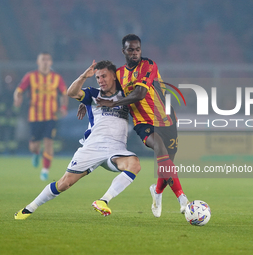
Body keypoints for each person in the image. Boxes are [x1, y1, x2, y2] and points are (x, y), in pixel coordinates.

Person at [14, 60, 141, 219]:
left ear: (114, 77)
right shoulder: (93, 94)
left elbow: (142, 95)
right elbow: (72, 93)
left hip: (116, 150)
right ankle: (29, 208)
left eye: (104, 76)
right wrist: (83, 76)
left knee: (134, 164)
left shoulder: (126, 95)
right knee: (64, 183)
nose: (100, 80)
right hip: (92, 148)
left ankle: (103, 201)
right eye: (97, 77)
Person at [96, 34, 189, 217]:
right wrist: (85, 101)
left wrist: (114, 104)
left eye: (138, 49)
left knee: (167, 165)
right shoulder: (119, 74)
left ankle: (157, 191)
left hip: (167, 119)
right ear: (124, 51)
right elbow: (105, 90)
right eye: (131, 49)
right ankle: (182, 198)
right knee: (160, 149)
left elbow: (139, 94)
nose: (135, 53)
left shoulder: (149, 65)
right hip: (142, 122)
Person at [13, 52, 68, 181]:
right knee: (34, 146)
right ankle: (36, 153)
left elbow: (64, 94)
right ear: (38, 62)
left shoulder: (57, 78)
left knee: (49, 142)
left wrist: (63, 107)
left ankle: (45, 171)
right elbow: (19, 90)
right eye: (43, 59)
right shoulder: (30, 76)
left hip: (51, 116)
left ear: (51, 62)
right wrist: (17, 99)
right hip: (34, 116)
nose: (45, 62)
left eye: (47, 59)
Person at [0, 75, 19, 154]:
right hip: (2, 118)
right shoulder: (2, 94)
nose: (10, 85)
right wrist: (5, 111)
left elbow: (18, 106)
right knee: (1, 134)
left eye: (11, 84)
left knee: (12, 135)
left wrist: (11, 111)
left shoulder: (16, 94)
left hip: (12, 118)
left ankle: (12, 151)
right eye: (8, 84)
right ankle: (0, 151)